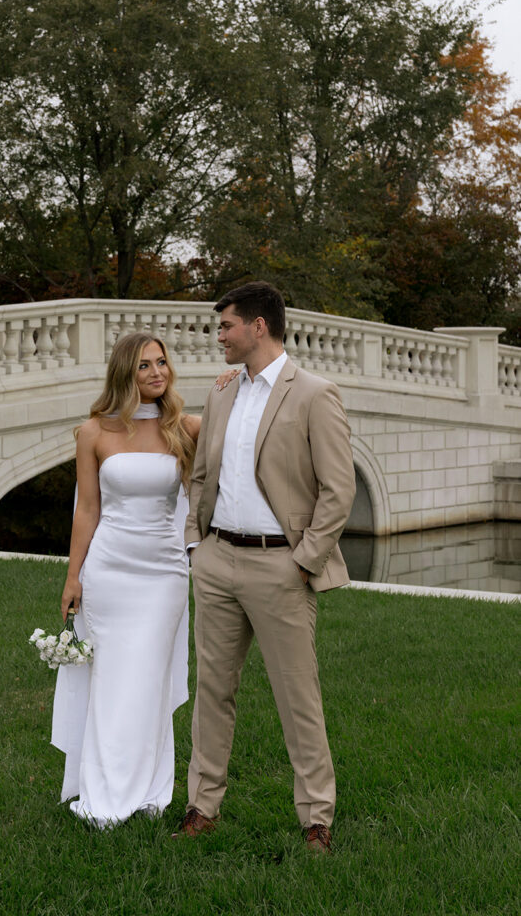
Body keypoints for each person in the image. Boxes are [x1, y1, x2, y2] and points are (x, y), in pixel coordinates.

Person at [174, 281, 356, 853]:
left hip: (282, 567)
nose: (219, 337)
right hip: (217, 561)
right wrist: (195, 544)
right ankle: (202, 807)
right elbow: (201, 474)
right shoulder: (223, 391)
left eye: (226, 325)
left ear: (258, 326)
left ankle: (316, 819)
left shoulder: (315, 394)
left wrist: (304, 561)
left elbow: (339, 490)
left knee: (298, 698)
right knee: (212, 691)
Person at [52, 331, 202, 826]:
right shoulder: (93, 432)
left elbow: (245, 426)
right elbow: (87, 510)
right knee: (112, 680)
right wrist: (73, 577)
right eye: (144, 365)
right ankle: (105, 791)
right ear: (125, 373)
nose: (157, 372)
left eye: (161, 362)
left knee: (149, 680)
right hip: (109, 571)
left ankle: (149, 790)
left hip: (163, 575)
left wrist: (233, 382)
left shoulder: (183, 427)